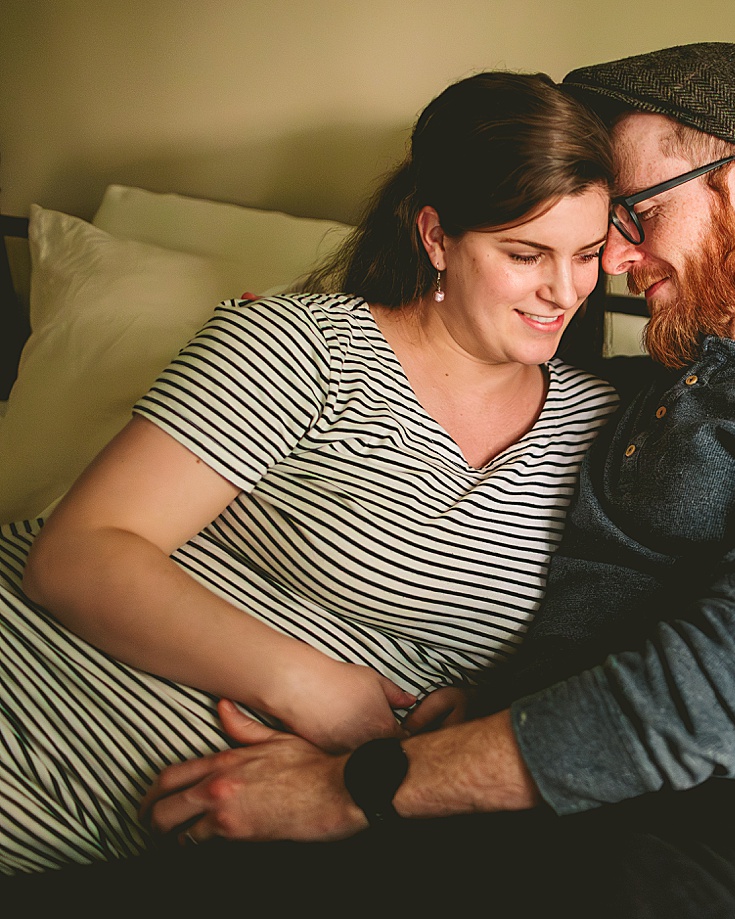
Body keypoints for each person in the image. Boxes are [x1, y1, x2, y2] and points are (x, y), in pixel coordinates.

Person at [4, 43, 735, 919]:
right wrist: (480, 709)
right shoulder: (633, 396)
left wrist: (355, 786)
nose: (607, 268)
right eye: (578, 237)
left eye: (631, 219)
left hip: (727, 820)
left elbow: (708, 700)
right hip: (506, 800)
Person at [0, 71, 618, 874]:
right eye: (524, 254)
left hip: (197, 837)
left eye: (589, 254)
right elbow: (77, 554)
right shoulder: (304, 348)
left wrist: (486, 713)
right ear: (436, 237)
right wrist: (308, 687)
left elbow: (618, 646)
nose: (563, 291)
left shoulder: (608, 430)